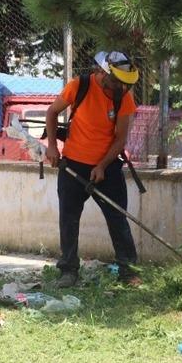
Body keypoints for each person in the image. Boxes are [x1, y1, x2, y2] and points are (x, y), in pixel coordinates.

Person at [44, 51, 141, 288]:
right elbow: (52, 112)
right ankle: (68, 271)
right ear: (102, 73)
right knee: (68, 219)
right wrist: (52, 148)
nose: (121, 87)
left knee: (117, 218)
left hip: (107, 168)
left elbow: (120, 139)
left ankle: (129, 272)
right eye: (117, 81)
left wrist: (102, 166)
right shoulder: (80, 86)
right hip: (73, 165)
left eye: (125, 83)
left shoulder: (124, 98)